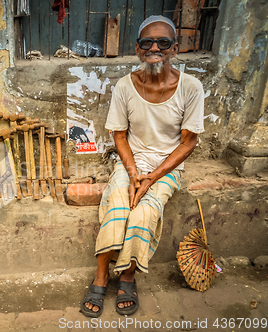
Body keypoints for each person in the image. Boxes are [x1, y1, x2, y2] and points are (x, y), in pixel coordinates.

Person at [80, 15, 204, 317]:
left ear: (174, 48)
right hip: (131, 162)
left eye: (163, 42)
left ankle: (127, 276)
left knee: (146, 211)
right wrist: (134, 174)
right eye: (147, 42)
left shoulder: (191, 87)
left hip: (167, 167)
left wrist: (152, 178)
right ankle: (101, 276)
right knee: (119, 206)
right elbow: (119, 136)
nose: (155, 48)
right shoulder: (125, 86)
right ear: (138, 48)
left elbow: (188, 142)